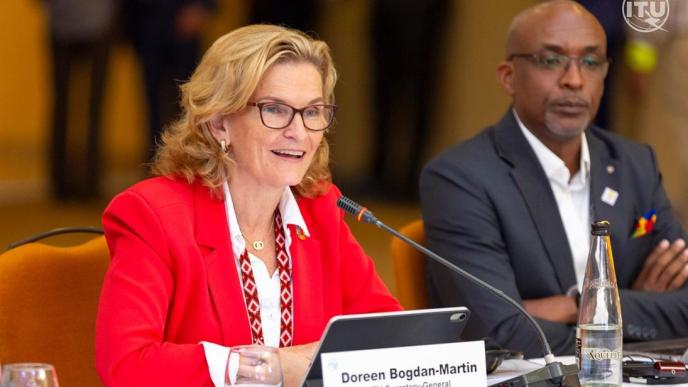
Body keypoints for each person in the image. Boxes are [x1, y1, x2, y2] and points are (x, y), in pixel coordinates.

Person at [95, 24, 401, 387]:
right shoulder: (152, 215)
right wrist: (269, 367)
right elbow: (127, 365)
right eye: (275, 109)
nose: (300, 133)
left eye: (313, 112)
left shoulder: (320, 209)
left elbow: (389, 340)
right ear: (219, 122)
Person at [420, 0, 688, 358]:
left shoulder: (633, 164)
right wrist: (629, 316)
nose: (574, 80)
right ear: (508, 76)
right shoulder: (459, 179)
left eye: (591, 62)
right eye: (551, 60)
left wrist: (578, 305)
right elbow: (499, 333)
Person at [45, 0, 118, 200]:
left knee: (81, 108)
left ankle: (83, 180)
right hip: (79, 26)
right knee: (73, 108)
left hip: (89, 26)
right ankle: (70, 180)